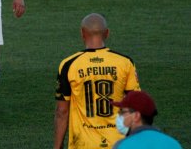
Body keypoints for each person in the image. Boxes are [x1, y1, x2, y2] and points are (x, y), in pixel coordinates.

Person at [54, 13, 141, 149]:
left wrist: (57, 147)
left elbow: (62, 112)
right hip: (118, 143)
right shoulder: (125, 62)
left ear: (82, 33)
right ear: (107, 33)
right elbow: (135, 106)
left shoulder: (69, 64)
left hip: (83, 144)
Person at [112, 90, 182, 149]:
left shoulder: (122, 146)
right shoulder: (173, 144)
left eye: (122, 112)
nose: (119, 115)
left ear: (136, 116)